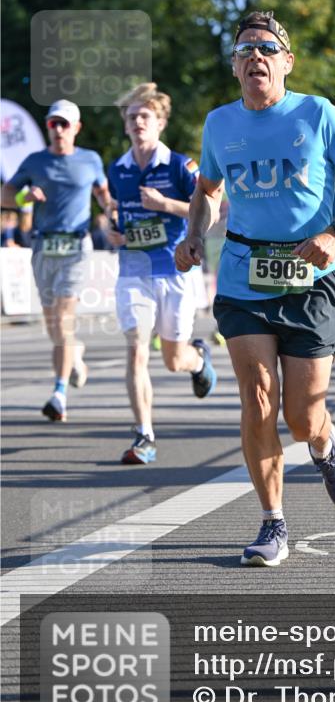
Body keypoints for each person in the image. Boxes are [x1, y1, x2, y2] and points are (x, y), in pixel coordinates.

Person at [175, 10, 335, 567]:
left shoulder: (318, 113)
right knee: (258, 399)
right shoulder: (220, 123)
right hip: (244, 277)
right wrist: (194, 233)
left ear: (287, 62)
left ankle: (324, 444)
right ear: (235, 67)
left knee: (302, 417)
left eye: (266, 48)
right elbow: (207, 190)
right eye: (244, 50)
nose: (255, 57)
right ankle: (273, 523)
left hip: (310, 280)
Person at [107, 83, 217, 465]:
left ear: (160, 123)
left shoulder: (181, 166)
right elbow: (119, 212)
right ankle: (144, 436)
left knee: (173, 359)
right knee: (137, 350)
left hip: (175, 269)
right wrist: (115, 230)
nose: (138, 122)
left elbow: (210, 209)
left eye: (145, 116)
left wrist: (166, 204)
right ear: (125, 125)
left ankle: (197, 360)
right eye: (132, 117)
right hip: (134, 270)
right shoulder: (117, 169)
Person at [1, 100, 112, 421]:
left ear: (76, 128)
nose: (59, 129)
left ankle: (59, 394)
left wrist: (113, 212)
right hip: (43, 246)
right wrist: (24, 197)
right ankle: (73, 352)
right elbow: (5, 195)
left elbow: (103, 194)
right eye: (53, 124)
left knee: (63, 318)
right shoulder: (35, 161)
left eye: (65, 124)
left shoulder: (90, 159)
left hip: (76, 247)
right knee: (54, 326)